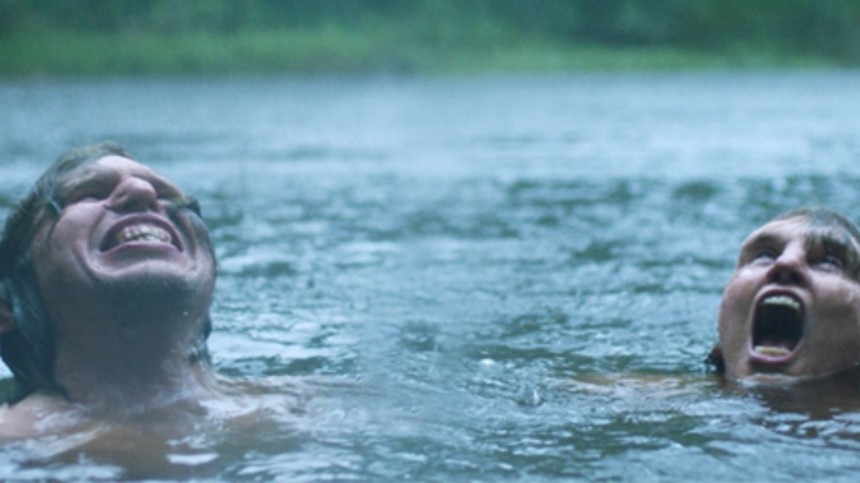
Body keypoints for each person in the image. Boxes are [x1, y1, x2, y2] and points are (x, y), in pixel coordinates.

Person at [0, 141, 221, 437]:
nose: (142, 192)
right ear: (6, 310)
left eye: (167, 195)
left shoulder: (299, 407)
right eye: (90, 192)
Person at [709, 206, 860, 382]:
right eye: (764, 255)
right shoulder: (673, 399)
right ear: (722, 340)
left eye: (828, 262)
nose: (786, 262)